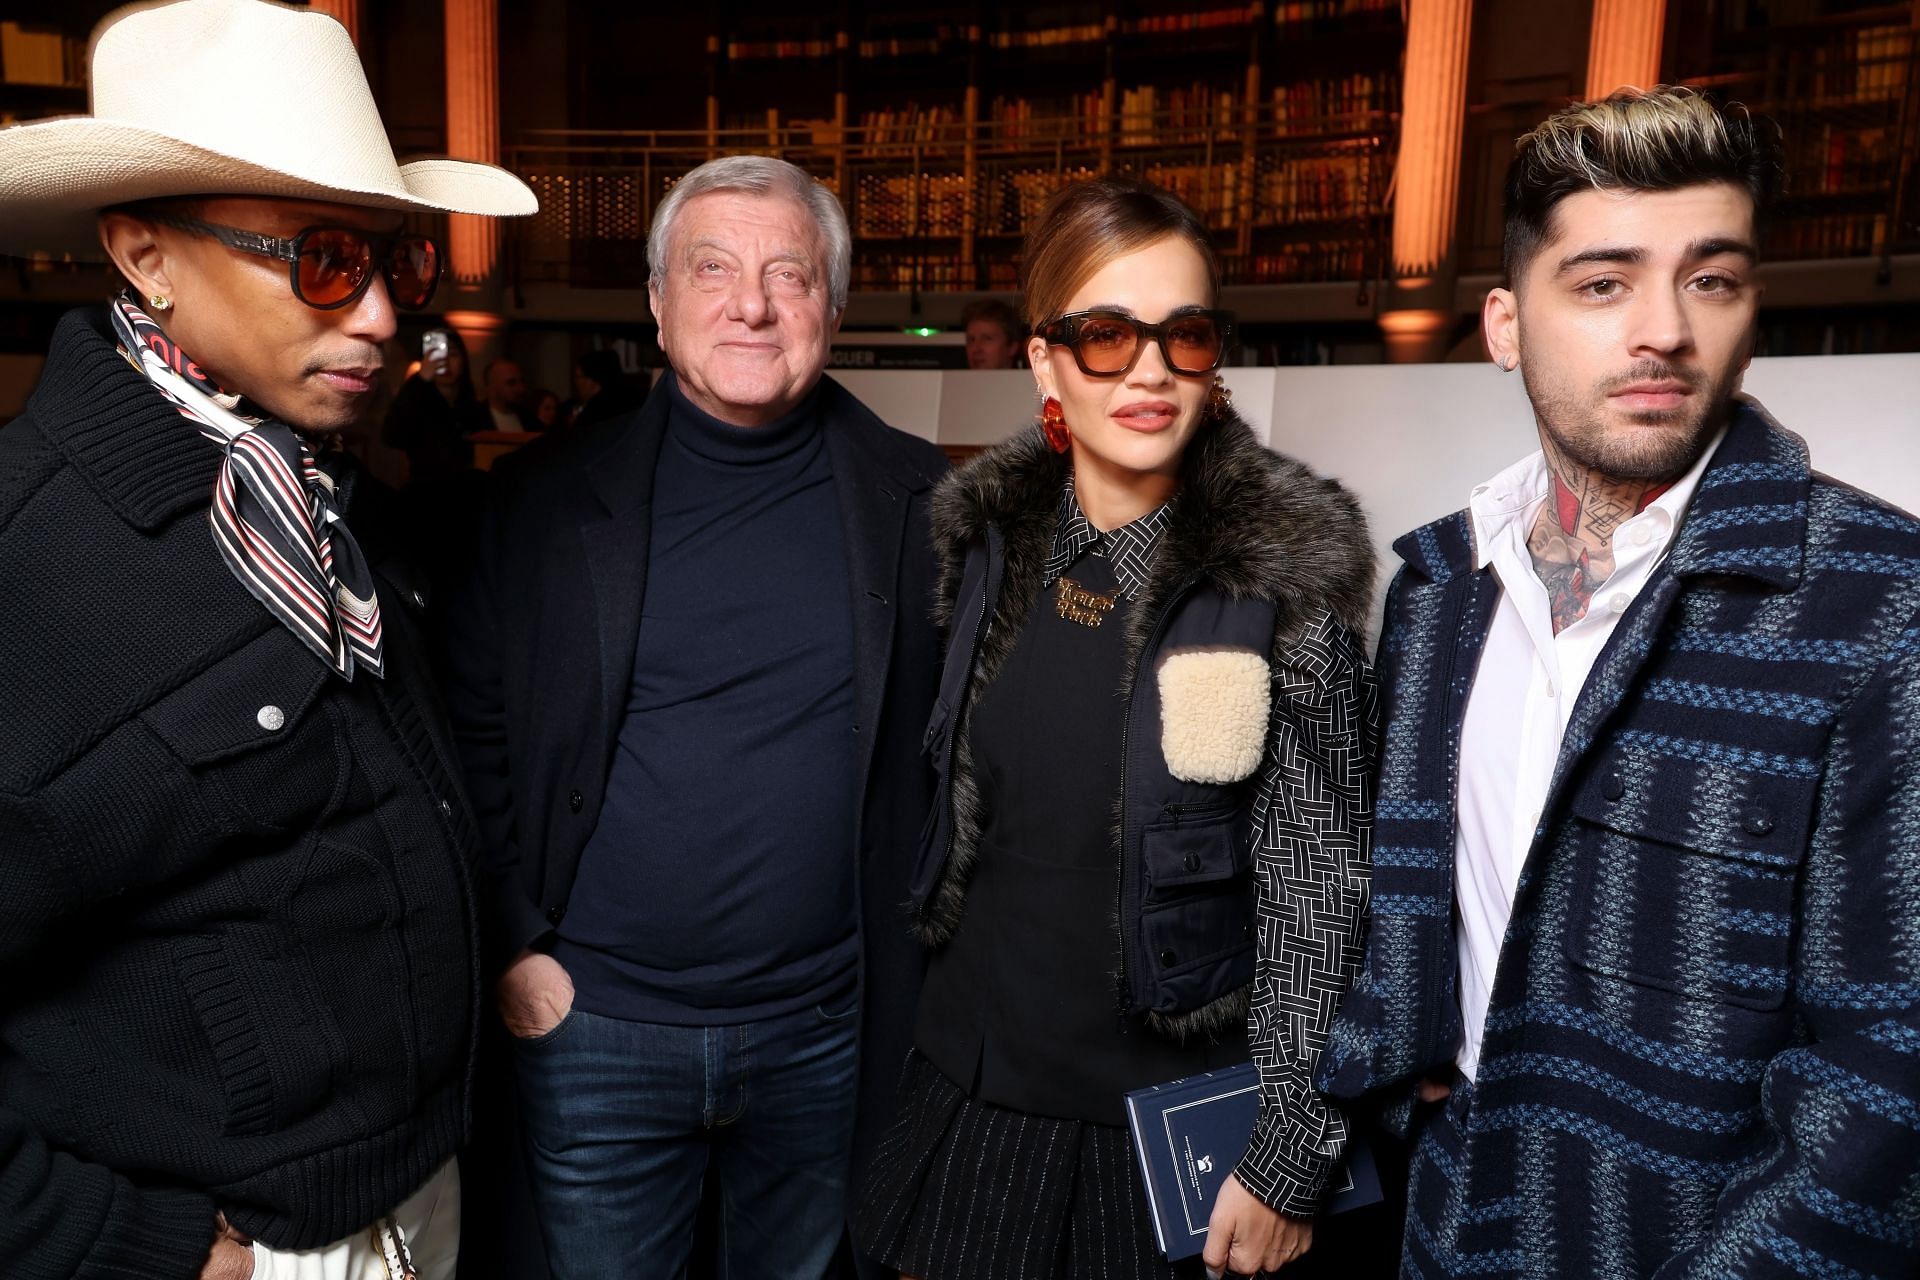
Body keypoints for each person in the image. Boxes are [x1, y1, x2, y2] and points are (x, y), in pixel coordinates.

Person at [1317, 87, 1920, 1278]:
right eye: (1602, 283)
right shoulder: (1438, 589)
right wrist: (1394, 1058)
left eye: (1711, 279)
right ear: (1505, 323)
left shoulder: (1881, 602)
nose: (1663, 330)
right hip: (1445, 1219)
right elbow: (1416, 886)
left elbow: (1892, 1068)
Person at [0, 0, 535, 1276]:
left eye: (392, 265)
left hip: (424, 1198)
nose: (380, 320)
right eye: (322, 260)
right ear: (146, 253)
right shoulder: (31, 559)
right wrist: (125, 1243)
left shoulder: (317, 498)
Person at [852, 177, 1379, 1279]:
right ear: (1042, 359)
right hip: (968, 1097)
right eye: (1105, 334)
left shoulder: (1281, 573)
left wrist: (1290, 1150)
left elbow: (1321, 882)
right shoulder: (983, 543)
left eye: (1182, 334)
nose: (1148, 369)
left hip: (1166, 1138)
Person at [443, 154, 949, 1278]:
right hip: (596, 1032)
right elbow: (468, 731)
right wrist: (516, 943)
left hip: (824, 1035)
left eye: (789, 274)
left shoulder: (923, 506)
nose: (752, 303)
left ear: (833, 303)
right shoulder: (534, 503)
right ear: (659, 303)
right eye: (711, 268)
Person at [384, 325, 488, 482]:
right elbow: (392, 435)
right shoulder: (417, 397)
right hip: (425, 490)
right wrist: (421, 379)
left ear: (463, 359)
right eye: (437, 355)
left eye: (452, 354)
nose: (445, 361)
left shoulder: (475, 404)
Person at [568, 347, 647, 427]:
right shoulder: (632, 397)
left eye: (578, 377)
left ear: (590, 379)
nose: (576, 382)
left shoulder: (595, 411)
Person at [959, 296, 1024, 369]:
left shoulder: (1032, 380)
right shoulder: (951, 380)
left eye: (987, 339)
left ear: (1012, 347)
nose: (976, 349)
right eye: (971, 340)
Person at [483, 357, 534, 432]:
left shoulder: (530, 419)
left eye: (522, 381)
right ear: (491, 388)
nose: (521, 389)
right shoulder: (474, 421)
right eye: (511, 383)